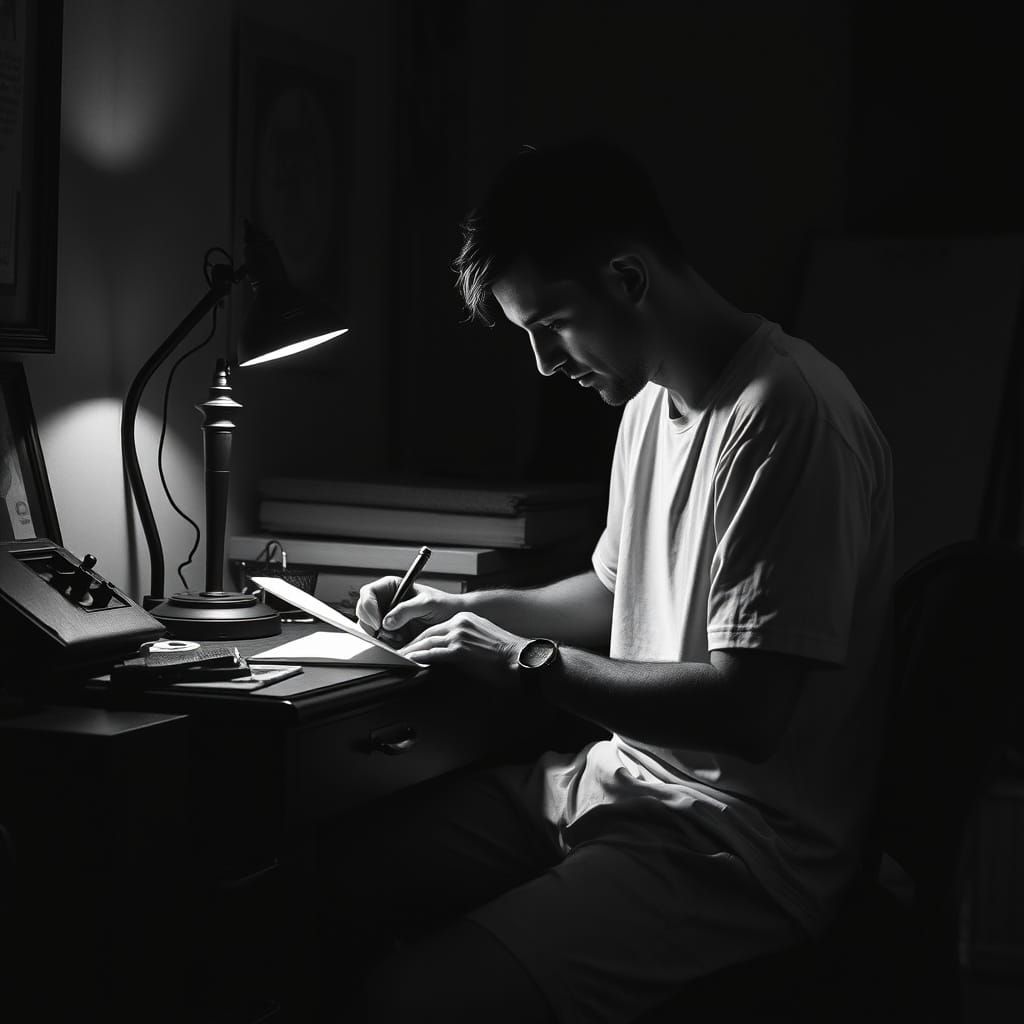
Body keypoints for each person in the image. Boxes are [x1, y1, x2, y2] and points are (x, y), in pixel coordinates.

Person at [333, 138, 894, 1024]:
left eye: (551, 326)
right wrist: (463, 612)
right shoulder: (643, 408)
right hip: (617, 782)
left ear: (629, 279)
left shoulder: (788, 416)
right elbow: (611, 594)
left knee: (406, 1000)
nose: (546, 366)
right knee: (328, 881)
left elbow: (747, 710)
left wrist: (522, 660)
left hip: (738, 846)